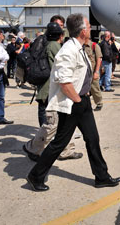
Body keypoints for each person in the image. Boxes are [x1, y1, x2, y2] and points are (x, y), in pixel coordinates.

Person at [26, 13, 120, 191]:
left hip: (81, 101)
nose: (91, 29)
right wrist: (77, 100)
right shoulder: (68, 51)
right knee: (60, 142)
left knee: (92, 138)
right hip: (73, 103)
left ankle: (101, 176)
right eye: (88, 26)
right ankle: (35, 176)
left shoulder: (79, 47)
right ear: (82, 31)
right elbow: (64, 81)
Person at [23, 22, 82, 162]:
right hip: (51, 91)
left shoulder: (47, 44)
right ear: (61, 35)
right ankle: (33, 147)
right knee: (53, 124)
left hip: (50, 89)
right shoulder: (55, 46)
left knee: (64, 124)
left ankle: (66, 150)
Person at [84, 37, 103, 111]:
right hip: (84, 72)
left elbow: (99, 59)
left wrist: (96, 72)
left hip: (92, 72)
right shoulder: (81, 46)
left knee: (95, 88)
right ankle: (87, 105)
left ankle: (99, 103)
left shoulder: (94, 46)